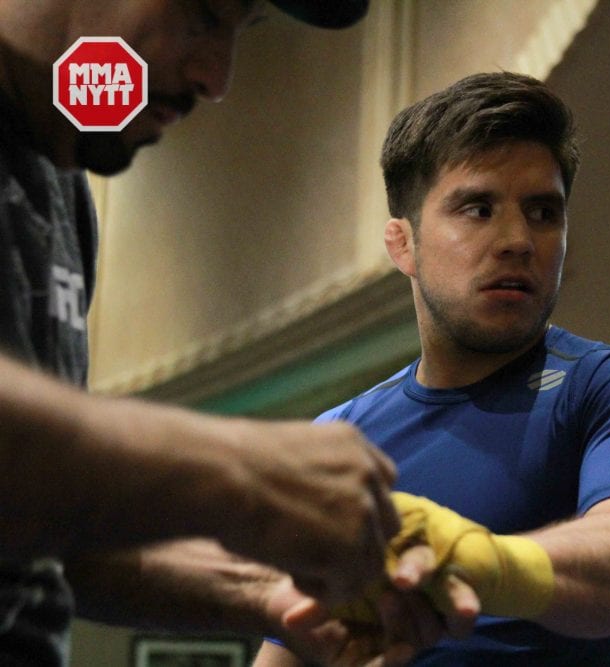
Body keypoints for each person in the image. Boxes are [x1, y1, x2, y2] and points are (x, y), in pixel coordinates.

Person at [0, 1, 445, 665]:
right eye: (206, 13)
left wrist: (281, 587)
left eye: (246, 28)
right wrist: (242, 471)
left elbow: (57, 524)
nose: (217, 78)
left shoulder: (60, 184)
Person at [255, 71, 610, 666]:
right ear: (402, 243)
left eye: (543, 212)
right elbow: (287, 650)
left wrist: (473, 560)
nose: (517, 239)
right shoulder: (337, 439)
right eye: (478, 208)